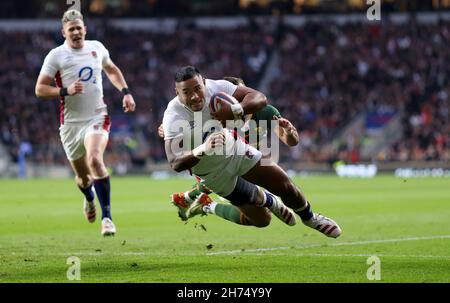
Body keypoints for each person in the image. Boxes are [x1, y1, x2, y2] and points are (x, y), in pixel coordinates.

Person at [162, 66, 341, 238]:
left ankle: (311, 219)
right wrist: (203, 149)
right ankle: (215, 205)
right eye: (186, 92)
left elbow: (260, 98)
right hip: (214, 174)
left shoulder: (218, 89)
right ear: (177, 93)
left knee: (284, 184)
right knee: (262, 220)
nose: (194, 96)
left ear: (204, 82)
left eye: (197, 89)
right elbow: (175, 162)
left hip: (237, 152)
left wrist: (235, 109)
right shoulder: (173, 115)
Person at [35, 9, 136, 236]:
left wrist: (126, 92)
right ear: (64, 32)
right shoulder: (56, 56)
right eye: (72, 29)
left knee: (94, 159)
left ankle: (107, 217)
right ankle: (89, 198)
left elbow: (111, 69)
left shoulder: (97, 48)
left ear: (85, 30)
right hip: (70, 125)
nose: (76, 32)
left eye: (79, 27)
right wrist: (65, 90)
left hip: (97, 116)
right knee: (82, 178)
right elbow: (40, 89)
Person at [159, 76, 301, 227]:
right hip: (227, 173)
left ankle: (204, 204)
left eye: (240, 97)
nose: (238, 101)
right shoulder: (218, 116)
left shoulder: (264, 112)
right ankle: (202, 202)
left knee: (263, 219)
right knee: (263, 219)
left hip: (251, 165)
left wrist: (290, 132)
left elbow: (291, 142)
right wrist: (167, 129)